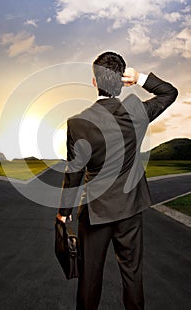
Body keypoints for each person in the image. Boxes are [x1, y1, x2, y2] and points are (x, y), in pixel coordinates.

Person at [56, 51, 178, 310]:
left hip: (95, 212)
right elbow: (169, 93)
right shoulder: (136, 111)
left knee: (89, 279)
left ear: (94, 82)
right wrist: (141, 78)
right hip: (130, 209)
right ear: (122, 82)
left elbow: (74, 173)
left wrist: (63, 213)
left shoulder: (78, 123)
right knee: (132, 275)